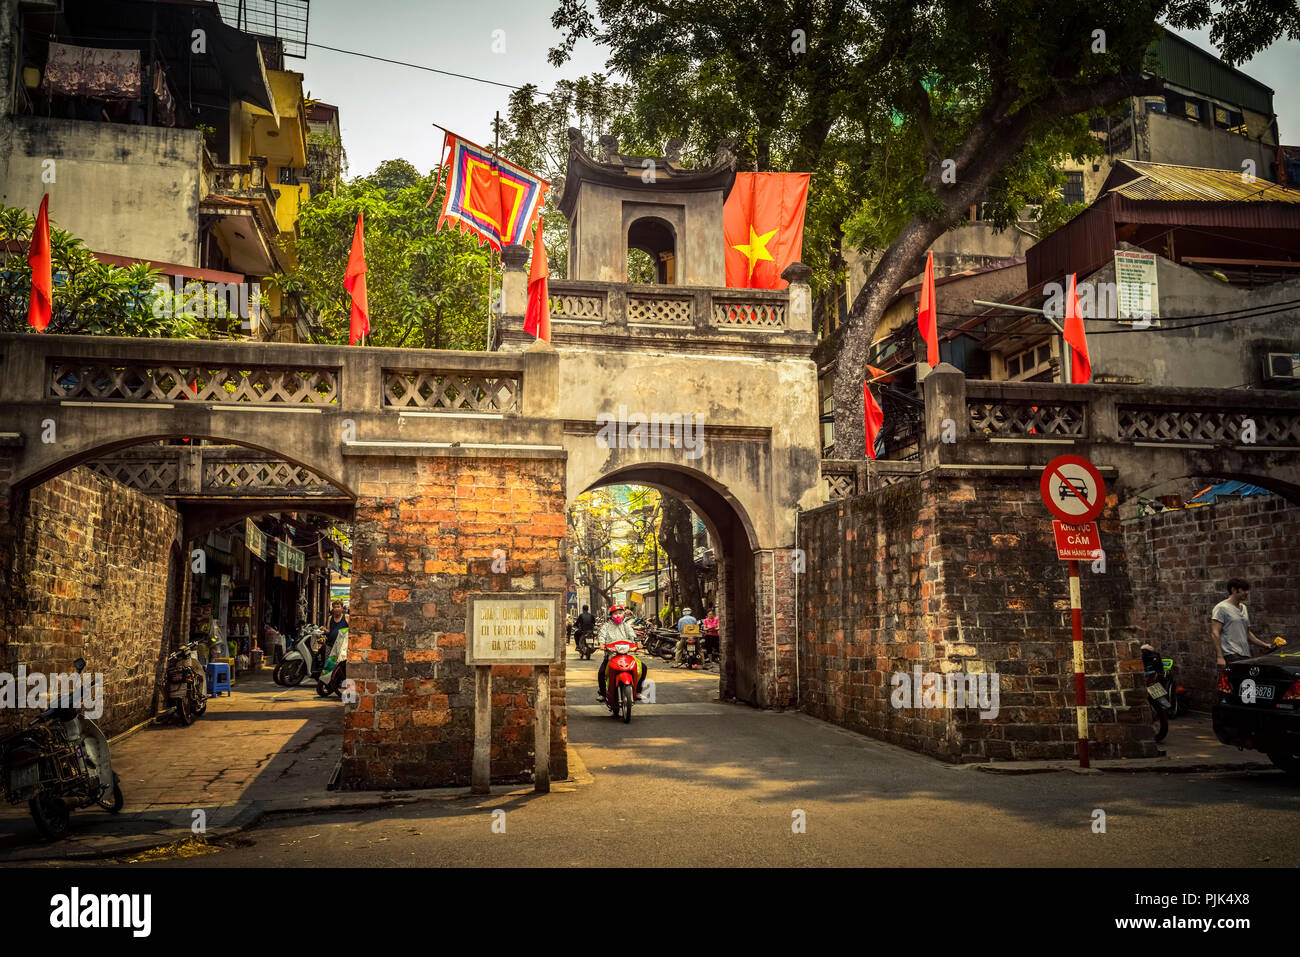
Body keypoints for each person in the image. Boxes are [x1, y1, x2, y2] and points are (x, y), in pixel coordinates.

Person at [1211, 579, 1277, 667]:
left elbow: (1247, 633)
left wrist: (1265, 645)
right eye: (1244, 590)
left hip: (1245, 655)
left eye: (1247, 590)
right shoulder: (1221, 608)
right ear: (1234, 590)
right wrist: (1220, 657)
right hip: (1231, 654)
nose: (1247, 592)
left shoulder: (1244, 607)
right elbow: (1215, 633)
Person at [595, 604, 648, 702]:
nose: (618, 615)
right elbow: (602, 636)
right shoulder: (606, 626)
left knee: (643, 668)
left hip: (627, 655)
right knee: (601, 672)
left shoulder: (626, 626)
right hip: (611, 655)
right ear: (611, 615)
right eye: (615, 614)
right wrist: (602, 644)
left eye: (620, 613)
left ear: (623, 614)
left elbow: (633, 636)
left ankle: (638, 692)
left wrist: (638, 643)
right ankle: (602, 693)